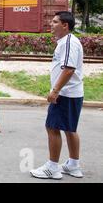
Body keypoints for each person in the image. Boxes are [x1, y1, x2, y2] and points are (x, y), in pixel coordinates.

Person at [30, 11, 84, 180]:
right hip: (72, 93)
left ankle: (52, 167)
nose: (50, 25)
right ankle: (73, 165)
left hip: (65, 94)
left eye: (54, 22)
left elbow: (69, 69)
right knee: (69, 129)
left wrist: (55, 91)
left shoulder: (68, 42)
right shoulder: (67, 41)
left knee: (52, 127)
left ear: (65, 25)